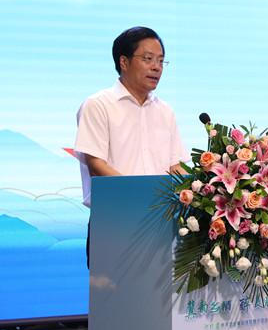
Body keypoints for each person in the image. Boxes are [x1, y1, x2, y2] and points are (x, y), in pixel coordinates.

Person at [75, 26, 188, 266]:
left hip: (161, 224)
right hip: (115, 222)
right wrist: (140, 198)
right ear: (124, 62)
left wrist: (198, 191)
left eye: (161, 61)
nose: (156, 67)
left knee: (160, 290)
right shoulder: (98, 105)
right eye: (148, 59)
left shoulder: (165, 111)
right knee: (114, 290)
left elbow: (175, 166)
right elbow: (96, 164)